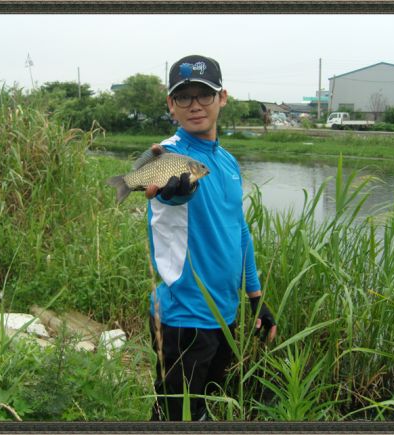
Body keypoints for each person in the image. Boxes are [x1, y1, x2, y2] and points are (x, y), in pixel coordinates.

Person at [144, 54, 277, 421]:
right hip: (183, 316)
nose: (195, 105)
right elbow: (167, 189)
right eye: (183, 96)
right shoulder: (168, 153)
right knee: (175, 415)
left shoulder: (229, 162)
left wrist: (256, 298)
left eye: (203, 94)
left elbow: (240, 230)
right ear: (171, 104)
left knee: (202, 408)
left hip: (226, 313)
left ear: (222, 97)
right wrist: (173, 190)